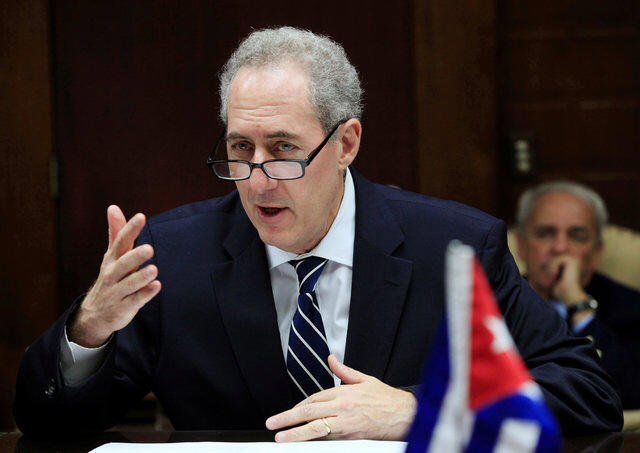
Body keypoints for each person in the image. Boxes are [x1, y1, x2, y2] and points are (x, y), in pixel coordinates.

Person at [15, 27, 622, 439]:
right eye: (240, 149)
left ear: (346, 144)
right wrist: (88, 331)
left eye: (283, 150)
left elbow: (588, 396)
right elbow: (47, 425)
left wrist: (421, 409)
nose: (257, 179)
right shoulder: (173, 257)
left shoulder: (455, 248)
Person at [516, 181, 640, 409]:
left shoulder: (631, 308)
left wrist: (578, 304)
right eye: (545, 234)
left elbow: (630, 394)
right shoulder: (494, 302)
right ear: (521, 246)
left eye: (577, 236)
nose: (560, 247)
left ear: (596, 252)